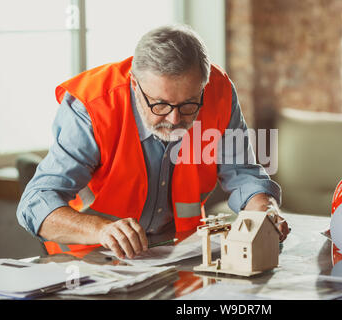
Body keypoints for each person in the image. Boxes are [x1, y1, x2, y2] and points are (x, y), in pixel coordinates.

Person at [16, 24, 289, 259]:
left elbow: (243, 174)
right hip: (88, 260)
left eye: (188, 105)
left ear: (203, 86)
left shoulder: (218, 93)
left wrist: (265, 211)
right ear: (135, 84)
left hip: (176, 255)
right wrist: (102, 229)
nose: (173, 120)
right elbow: (34, 204)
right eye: (159, 105)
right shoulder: (93, 107)